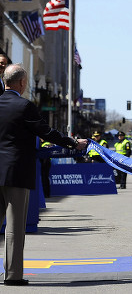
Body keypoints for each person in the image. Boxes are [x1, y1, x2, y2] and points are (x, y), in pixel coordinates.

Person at [0, 64, 87, 286]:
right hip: (16, 172)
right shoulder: (24, 106)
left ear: (4, 81)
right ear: (21, 83)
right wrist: (73, 143)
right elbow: (46, 132)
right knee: (14, 227)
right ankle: (12, 275)